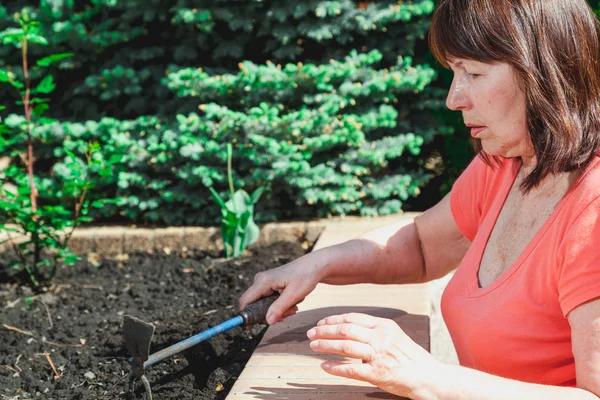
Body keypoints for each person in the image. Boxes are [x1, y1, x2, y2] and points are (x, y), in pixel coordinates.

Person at [239, 0, 600, 398]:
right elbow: (424, 246)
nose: (454, 98)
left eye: (474, 73)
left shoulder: (593, 210)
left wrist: (429, 377)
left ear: (547, 73)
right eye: (454, 72)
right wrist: (317, 264)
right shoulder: (507, 164)